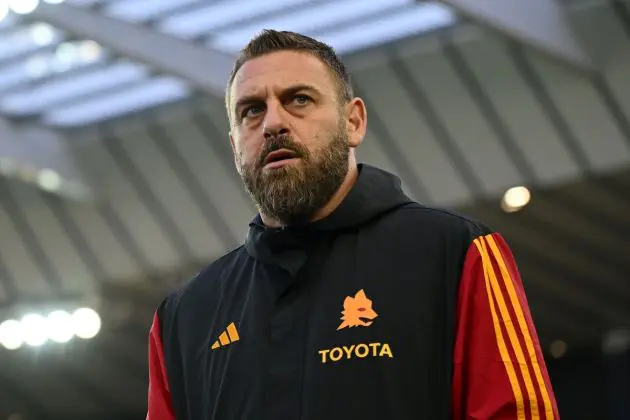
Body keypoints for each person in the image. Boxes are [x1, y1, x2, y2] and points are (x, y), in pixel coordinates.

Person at [146, 29, 559, 420]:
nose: (273, 123)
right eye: (252, 111)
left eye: (299, 99)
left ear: (353, 122)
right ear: (236, 146)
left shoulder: (456, 252)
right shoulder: (185, 317)